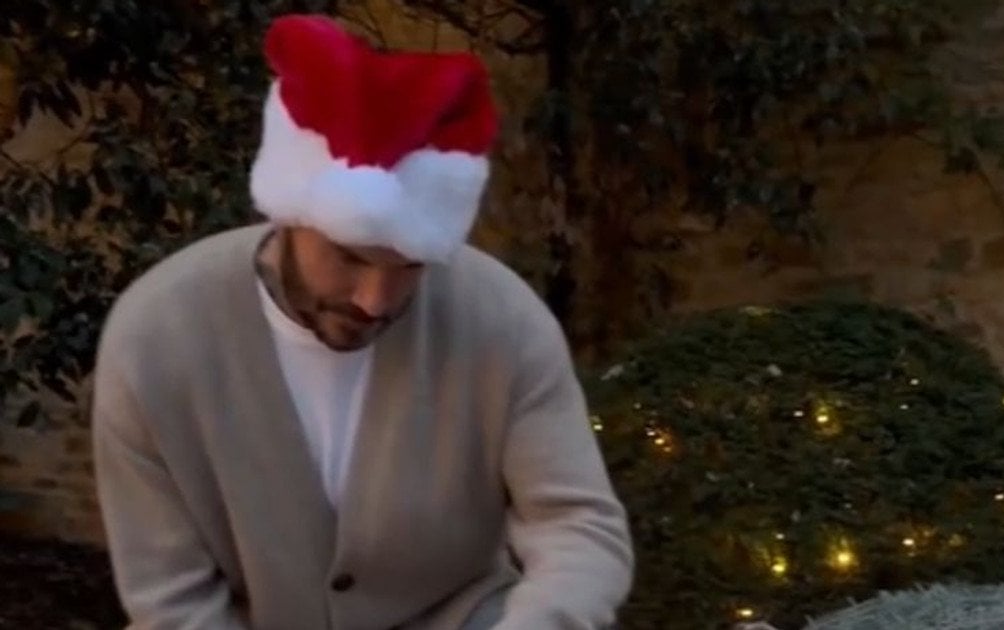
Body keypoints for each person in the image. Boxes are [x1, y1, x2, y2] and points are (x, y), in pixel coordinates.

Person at [90, 13, 634, 630]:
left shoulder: (504, 322)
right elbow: (171, 600)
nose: (375, 300)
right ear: (291, 217)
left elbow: (577, 525)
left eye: (408, 267)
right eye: (349, 258)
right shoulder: (156, 338)